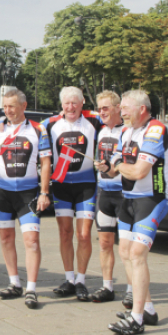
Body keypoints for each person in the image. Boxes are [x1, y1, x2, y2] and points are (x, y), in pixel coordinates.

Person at [101, 90, 168, 335]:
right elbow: (114, 170)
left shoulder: (155, 129)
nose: (122, 112)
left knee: (138, 254)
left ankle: (137, 319)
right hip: (128, 199)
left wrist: (117, 166)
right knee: (125, 252)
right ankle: (148, 309)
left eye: (126, 108)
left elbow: (139, 171)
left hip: (152, 199)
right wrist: (107, 167)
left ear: (142, 109)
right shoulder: (126, 131)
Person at [0, 89, 51, 309]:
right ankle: (14, 283)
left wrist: (45, 192)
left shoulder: (38, 130)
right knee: (6, 238)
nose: (7, 111)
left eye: (12, 106)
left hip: (28, 193)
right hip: (2, 192)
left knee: (31, 241)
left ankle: (31, 289)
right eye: (5, 106)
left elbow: (45, 163)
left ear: (23, 106)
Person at [41, 86, 102, 301]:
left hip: (86, 186)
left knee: (84, 234)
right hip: (61, 186)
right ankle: (69, 278)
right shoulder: (50, 124)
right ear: (62, 105)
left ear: (82, 102)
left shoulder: (94, 121)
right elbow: (24, 127)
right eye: (67, 103)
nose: (71, 106)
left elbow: (115, 120)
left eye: (75, 102)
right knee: (65, 233)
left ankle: (81, 281)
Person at [91, 91, 130, 302]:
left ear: (117, 108)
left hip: (124, 194)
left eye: (105, 108)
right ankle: (107, 287)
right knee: (105, 243)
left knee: (126, 247)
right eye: (99, 108)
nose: (101, 112)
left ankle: (133, 290)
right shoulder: (101, 129)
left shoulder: (128, 130)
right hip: (104, 192)